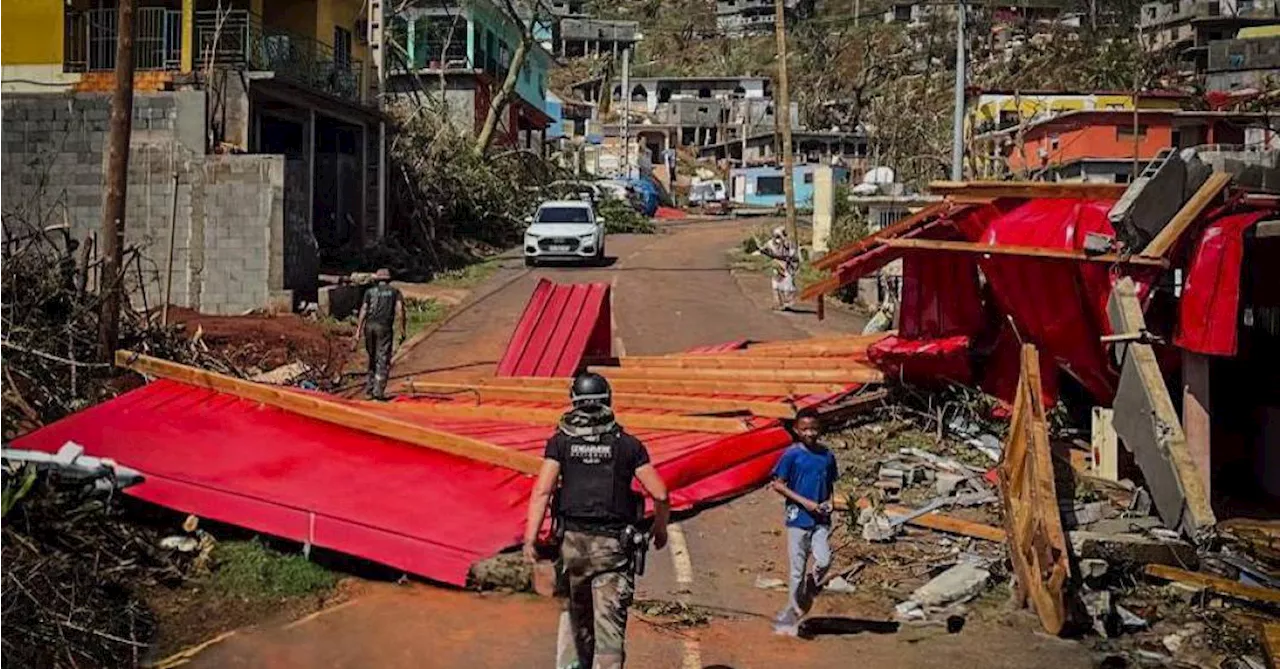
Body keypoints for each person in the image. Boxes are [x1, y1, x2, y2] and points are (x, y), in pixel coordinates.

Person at [522, 372, 670, 669]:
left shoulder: (560, 443)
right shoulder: (628, 445)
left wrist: (530, 539)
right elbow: (660, 492)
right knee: (609, 628)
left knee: (573, 617)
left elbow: (542, 491)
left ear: (574, 403)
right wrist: (660, 528)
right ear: (608, 401)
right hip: (612, 549)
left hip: (572, 547)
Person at [770, 408, 837, 636]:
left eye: (814, 428)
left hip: (821, 518)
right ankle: (792, 616)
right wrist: (805, 502)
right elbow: (778, 484)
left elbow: (830, 485)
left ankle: (813, 582)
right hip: (798, 518)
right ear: (797, 430)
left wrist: (830, 502)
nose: (810, 433)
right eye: (805, 429)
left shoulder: (827, 456)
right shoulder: (791, 455)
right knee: (796, 571)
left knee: (825, 559)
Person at [351, 268, 405, 400]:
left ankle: (369, 389)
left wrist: (358, 332)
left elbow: (363, 310)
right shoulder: (395, 292)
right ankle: (378, 391)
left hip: (369, 327)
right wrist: (402, 330)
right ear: (388, 280)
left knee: (372, 357)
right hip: (384, 327)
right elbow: (400, 311)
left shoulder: (369, 292)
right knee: (383, 358)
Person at [761, 226, 799, 311]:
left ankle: (787, 303)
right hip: (777, 265)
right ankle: (778, 303)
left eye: (779, 236)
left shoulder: (788, 243)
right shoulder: (770, 243)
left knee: (787, 285)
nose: (777, 238)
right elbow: (764, 249)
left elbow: (792, 254)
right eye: (776, 236)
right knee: (775, 285)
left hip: (787, 266)